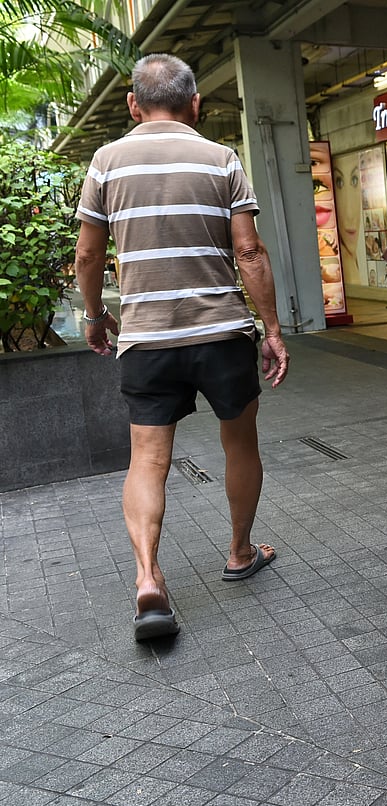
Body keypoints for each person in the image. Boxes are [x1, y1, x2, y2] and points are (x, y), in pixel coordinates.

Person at [73, 53, 289, 642]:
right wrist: (271, 329)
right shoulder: (221, 159)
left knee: (148, 459)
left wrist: (94, 317)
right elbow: (248, 251)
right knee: (239, 441)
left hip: (146, 337)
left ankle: (148, 579)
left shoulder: (105, 162)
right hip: (221, 331)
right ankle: (241, 551)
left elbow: (89, 255)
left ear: (132, 105)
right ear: (196, 104)